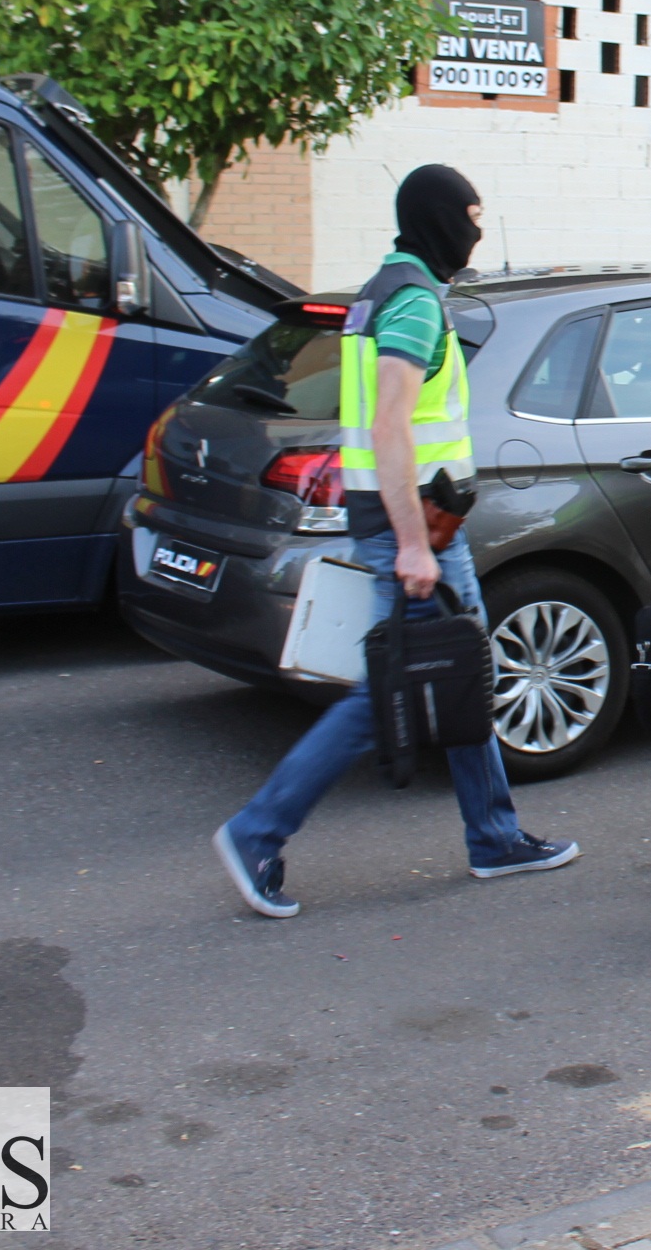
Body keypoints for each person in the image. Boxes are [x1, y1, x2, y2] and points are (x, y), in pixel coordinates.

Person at [215, 166, 577, 919]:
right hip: (418, 530)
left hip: (418, 522)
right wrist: (414, 544)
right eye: (469, 216)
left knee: (463, 669)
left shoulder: (380, 293)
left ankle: (494, 836)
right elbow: (388, 423)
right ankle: (258, 831)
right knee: (391, 692)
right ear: (438, 219)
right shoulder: (412, 304)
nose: (476, 232)